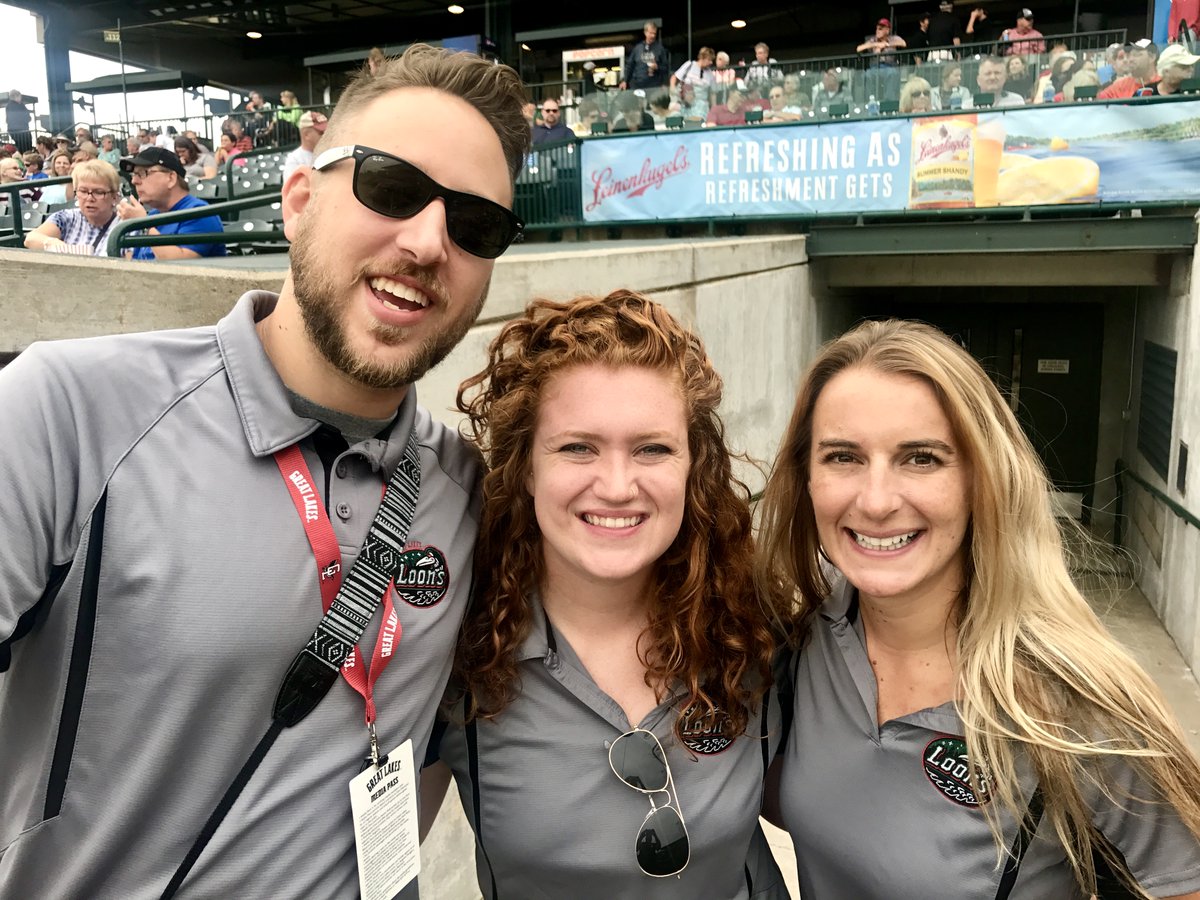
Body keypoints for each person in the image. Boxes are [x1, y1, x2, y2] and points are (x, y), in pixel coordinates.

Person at [0, 43, 528, 900]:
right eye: (390, 187)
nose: (431, 241)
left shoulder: (471, 492)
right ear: (297, 201)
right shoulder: (69, 412)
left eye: (476, 225)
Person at [757, 318, 1200, 899]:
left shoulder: (1073, 707)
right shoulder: (800, 648)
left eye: (921, 459)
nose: (877, 500)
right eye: (843, 457)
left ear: (981, 478)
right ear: (805, 478)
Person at [424, 291, 790, 899]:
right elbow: (360, 860)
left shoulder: (756, 625)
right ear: (525, 467)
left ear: (693, 465)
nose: (618, 486)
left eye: (652, 448)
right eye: (577, 447)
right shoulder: (459, 650)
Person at [114, 146, 227, 260]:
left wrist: (144, 227)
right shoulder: (152, 216)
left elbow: (181, 267)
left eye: (143, 173)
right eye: (134, 175)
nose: (134, 181)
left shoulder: (200, 213)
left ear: (171, 178)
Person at [23, 159, 120, 255]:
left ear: (114, 197)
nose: (90, 198)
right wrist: (53, 244)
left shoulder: (122, 226)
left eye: (98, 192)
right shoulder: (67, 217)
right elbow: (30, 239)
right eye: (83, 191)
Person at [858, 19, 906, 102]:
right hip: (874, 67)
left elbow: (903, 43)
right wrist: (876, 44)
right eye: (877, 29)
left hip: (889, 66)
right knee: (867, 75)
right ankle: (870, 101)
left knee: (892, 73)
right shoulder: (872, 40)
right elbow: (859, 48)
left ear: (887, 30)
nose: (877, 31)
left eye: (880, 29)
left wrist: (886, 45)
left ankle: (889, 101)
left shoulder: (893, 38)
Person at [621, 21, 669, 91]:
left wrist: (657, 67)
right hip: (638, 87)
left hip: (655, 87)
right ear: (645, 32)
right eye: (650, 33)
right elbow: (629, 66)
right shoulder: (638, 48)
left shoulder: (660, 49)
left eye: (654, 33)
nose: (653, 36)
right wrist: (625, 81)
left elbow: (666, 68)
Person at [282, 110, 329, 179]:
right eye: (321, 133)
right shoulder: (295, 160)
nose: (325, 136)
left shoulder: (330, 153)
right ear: (306, 135)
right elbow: (295, 189)